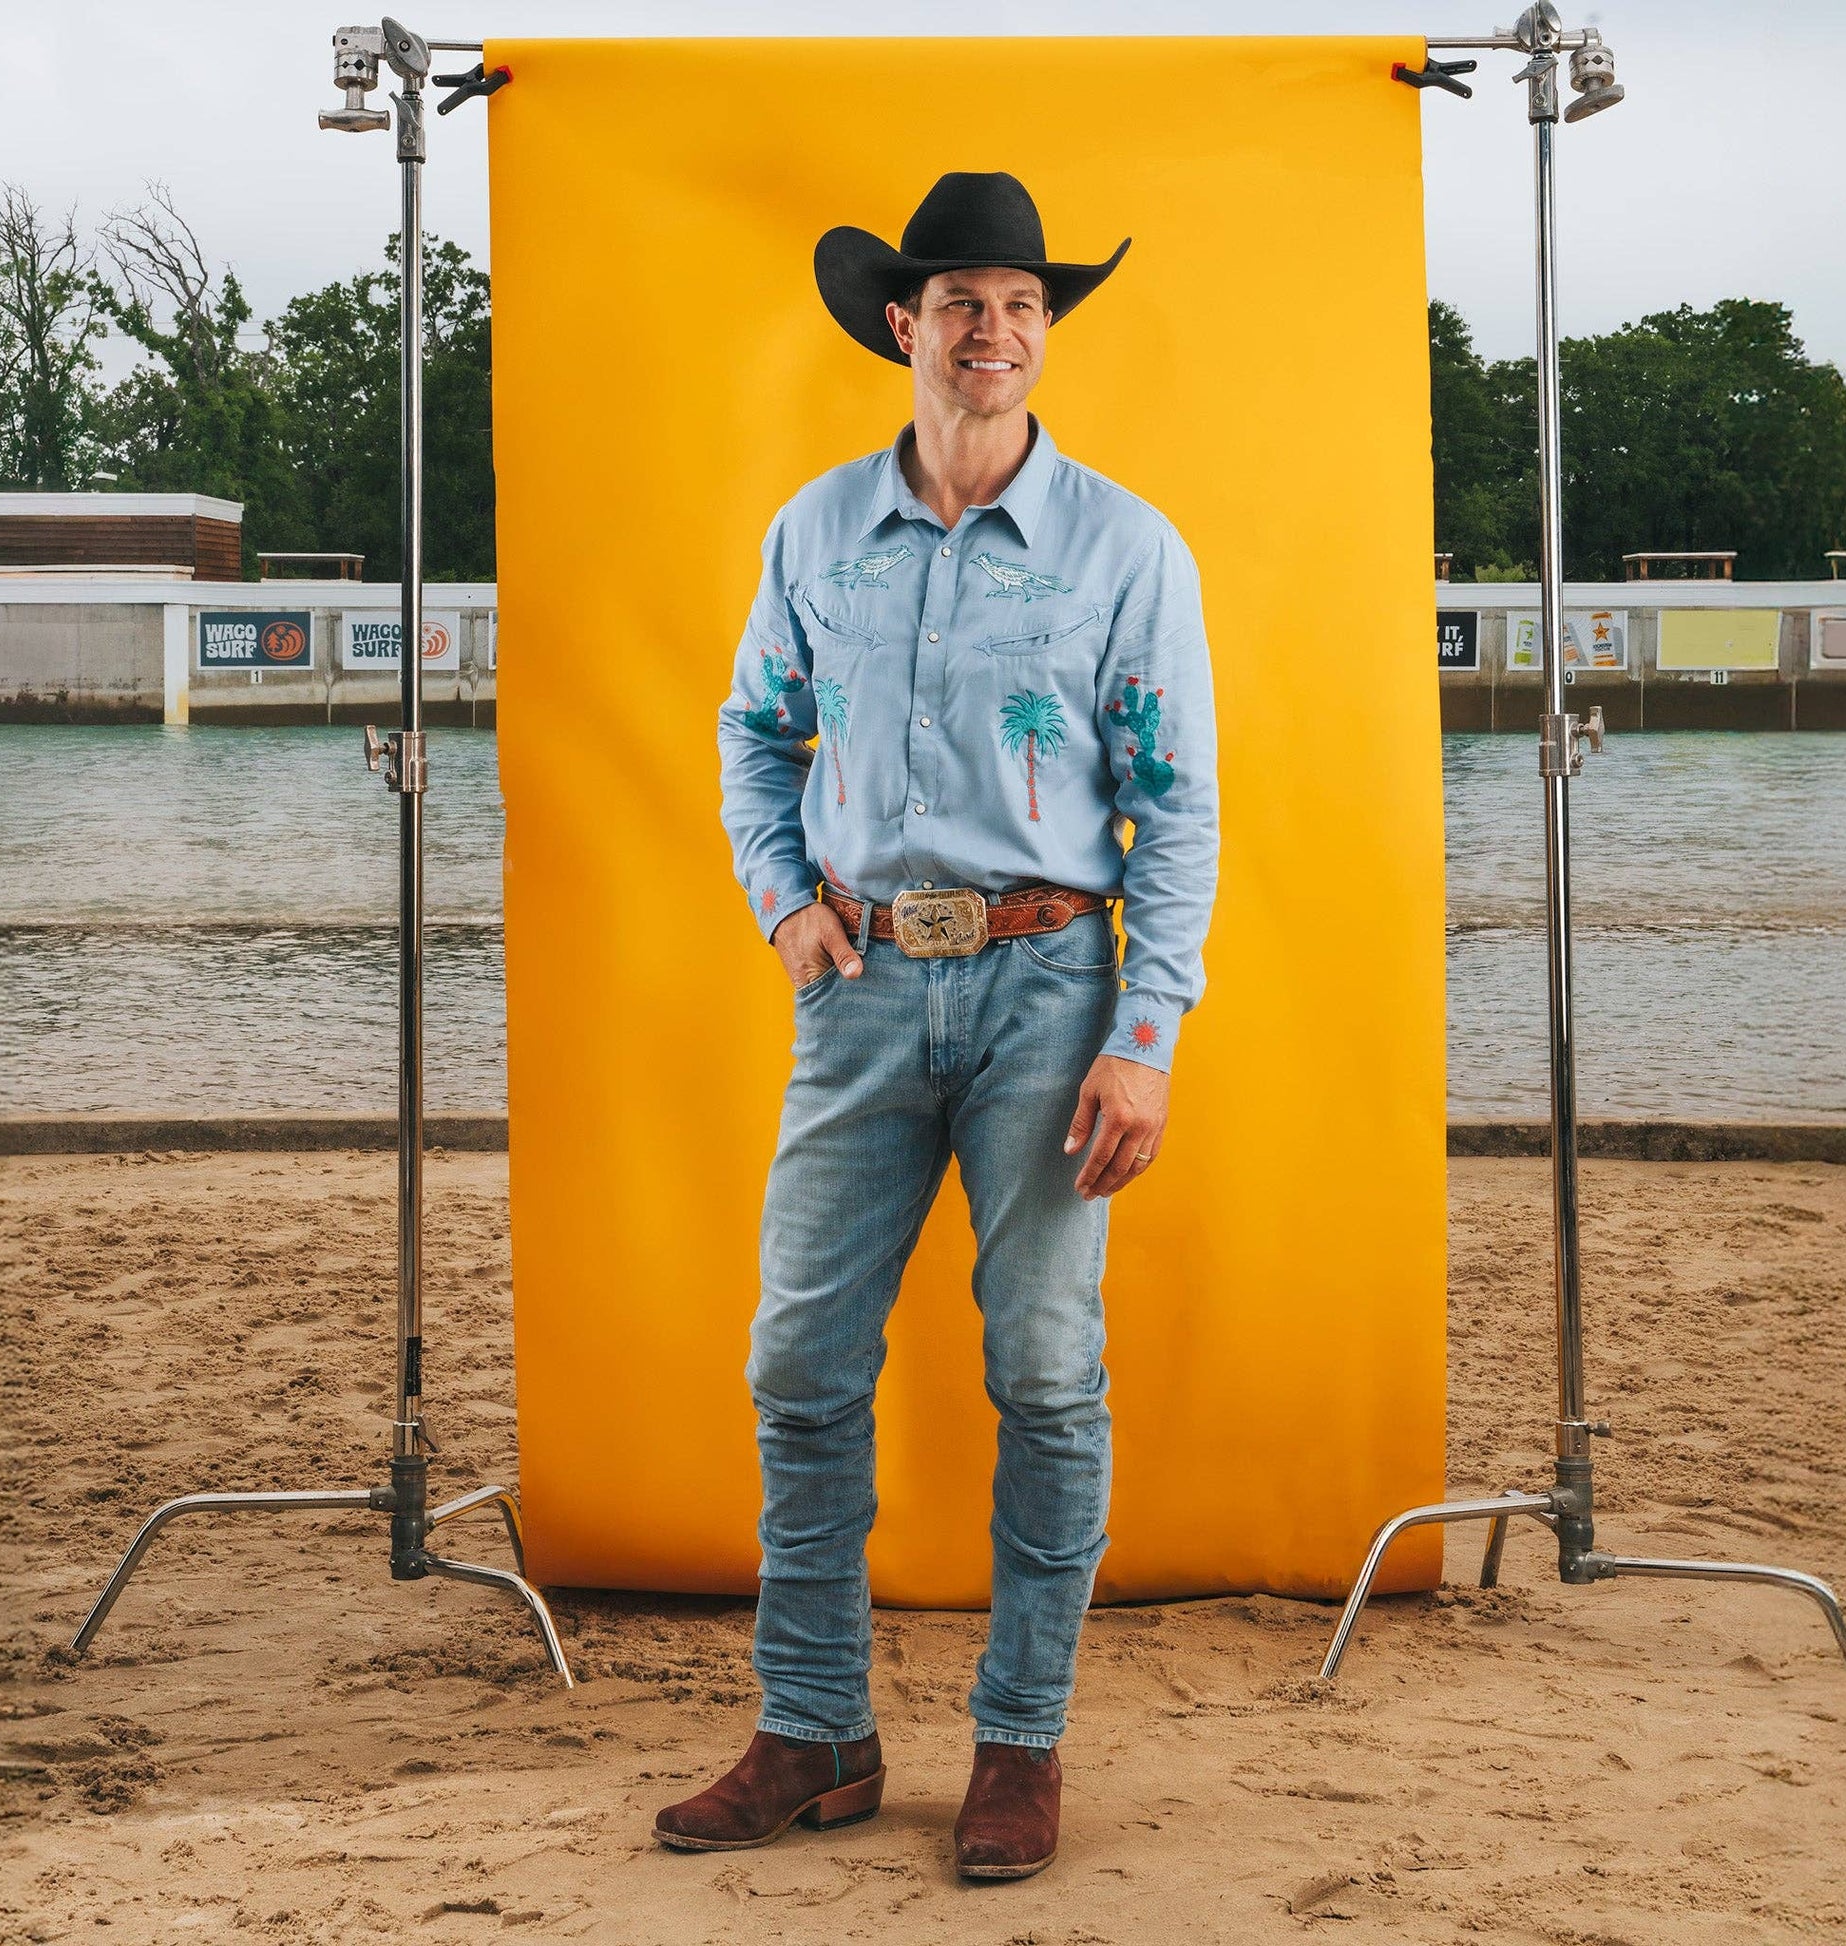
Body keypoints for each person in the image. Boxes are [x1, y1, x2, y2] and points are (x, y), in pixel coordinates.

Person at [656, 171, 1219, 1881]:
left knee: (1045, 1372)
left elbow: (1175, 807)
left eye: (1021, 304)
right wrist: (782, 902)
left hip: (1053, 988)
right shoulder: (813, 531)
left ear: (1045, 333)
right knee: (799, 1365)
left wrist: (1147, 1031)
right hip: (859, 989)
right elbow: (755, 733)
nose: (993, 332)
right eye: (961, 302)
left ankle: (1018, 1745)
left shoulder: (1126, 547)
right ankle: (815, 1723)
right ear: (900, 326)